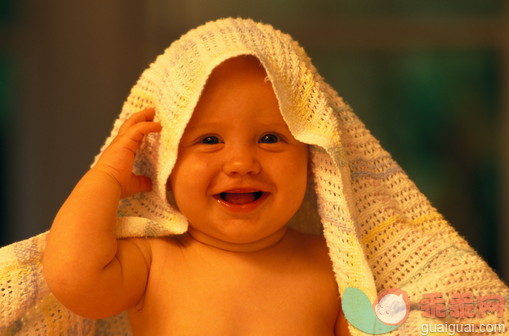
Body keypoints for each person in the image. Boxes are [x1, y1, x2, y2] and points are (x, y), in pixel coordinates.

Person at [1, 17, 508, 335]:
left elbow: (377, 327)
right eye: (209, 140)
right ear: (164, 163)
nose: (241, 162)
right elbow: (70, 277)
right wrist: (106, 178)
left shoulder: (331, 270)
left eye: (270, 138)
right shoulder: (155, 261)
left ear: (316, 161)